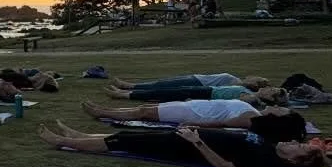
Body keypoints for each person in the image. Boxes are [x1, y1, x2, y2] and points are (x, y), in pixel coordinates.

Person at [37, 119, 330, 167]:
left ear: (298, 162)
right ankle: (76, 134)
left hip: (185, 146)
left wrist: (196, 140)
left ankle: (63, 142)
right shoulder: (272, 147)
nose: (294, 143)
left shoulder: (265, 160)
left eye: (299, 148)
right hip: (189, 135)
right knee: (128, 135)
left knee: (123, 142)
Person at [81, 98, 308, 140]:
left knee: (143, 112)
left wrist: (194, 125)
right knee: (145, 108)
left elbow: (222, 124)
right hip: (197, 106)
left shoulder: (251, 119)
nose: (278, 107)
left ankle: (102, 112)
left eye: (282, 110)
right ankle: (104, 109)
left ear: (280, 118)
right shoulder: (254, 113)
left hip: (194, 114)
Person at [105, 83, 286, 106]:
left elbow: (236, 101)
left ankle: (123, 95)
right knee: (164, 91)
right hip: (207, 91)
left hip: (206, 95)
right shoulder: (251, 91)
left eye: (273, 91)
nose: (271, 88)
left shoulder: (252, 98)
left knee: (162, 93)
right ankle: (125, 92)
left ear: (270, 98)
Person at [110, 73, 270, 90]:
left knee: (161, 86)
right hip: (196, 78)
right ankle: (129, 86)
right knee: (162, 83)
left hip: (197, 83)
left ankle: (128, 87)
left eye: (257, 78)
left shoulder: (237, 84)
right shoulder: (237, 80)